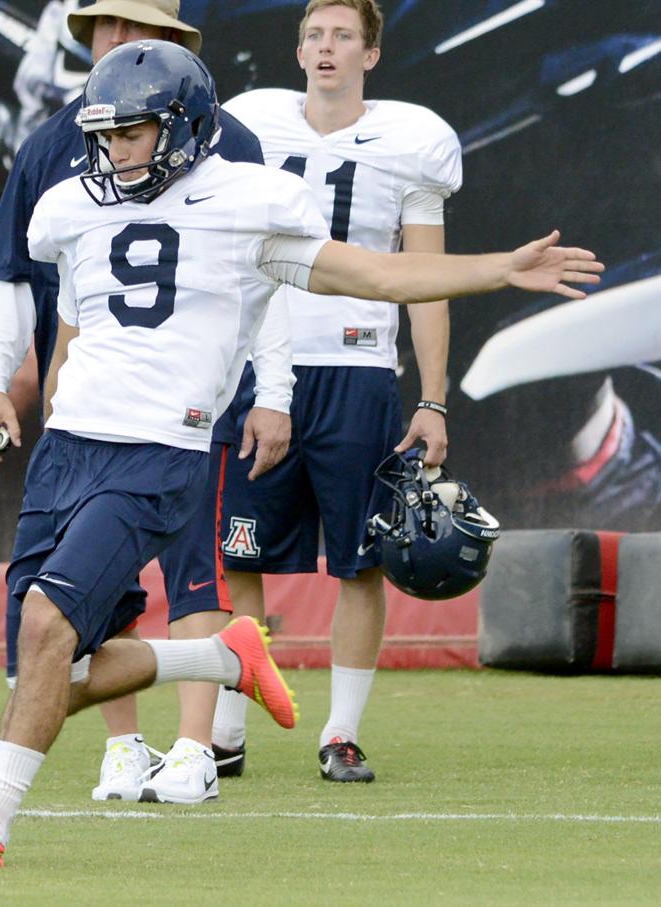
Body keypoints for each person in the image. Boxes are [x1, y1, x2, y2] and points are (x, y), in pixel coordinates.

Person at [0, 38, 602, 869]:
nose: (113, 151)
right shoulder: (70, 204)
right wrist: (23, 391)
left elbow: (377, 275)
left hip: (157, 452)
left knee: (45, 624)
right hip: (70, 446)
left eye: (132, 133)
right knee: (45, 669)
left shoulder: (248, 199)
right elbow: (75, 322)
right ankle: (220, 656)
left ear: (181, 127)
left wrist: (501, 269)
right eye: (104, 135)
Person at [0, 0, 289, 806]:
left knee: (192, 575)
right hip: (88, 411)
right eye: (104, 26)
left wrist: (273, 389)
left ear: (174, 45)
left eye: (136, 28)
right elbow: (14, 275)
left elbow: (277, 277)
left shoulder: (230, 144)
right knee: (62, 625)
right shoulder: (52, 146)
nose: (118, 42)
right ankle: (126, 743)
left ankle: (193, 748)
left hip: (191, 408)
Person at [195, 0, 459, 783]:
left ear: (371, 54)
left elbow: (427, 283)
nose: (327, 48)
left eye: (344, 35)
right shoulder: (248, 125)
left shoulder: (412, 143)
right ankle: (227, 728)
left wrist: (434, 397)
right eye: (315, 34)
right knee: (239, 553)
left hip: (358, 371)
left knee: (360, 562)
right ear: (299, 48)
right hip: (258, 368)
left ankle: (339, 732)